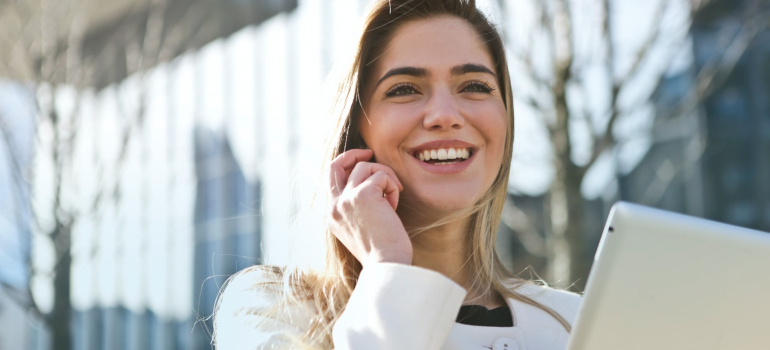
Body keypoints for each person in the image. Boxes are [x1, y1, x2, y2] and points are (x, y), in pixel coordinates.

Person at [214, 0, 582, 349]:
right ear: (356, 132)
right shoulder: (272, 309)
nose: (445, 114)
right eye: (405, 89)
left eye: (474, 86)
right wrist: (387, 267)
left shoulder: (576, 321)